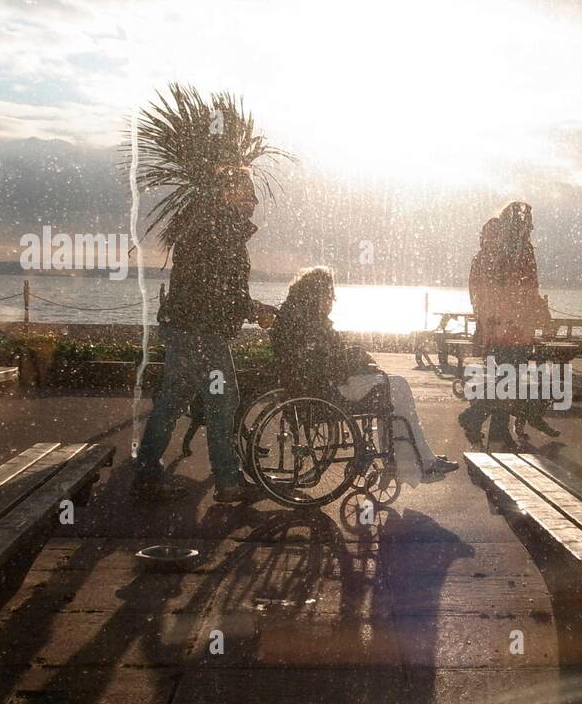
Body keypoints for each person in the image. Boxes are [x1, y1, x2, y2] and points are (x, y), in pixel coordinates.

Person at [131, 164, 275, 502]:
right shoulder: (218, 230)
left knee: (172, 401)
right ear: (226, 193)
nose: (253, 200)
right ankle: (228, 483)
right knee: (223, 403)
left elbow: (218, 288)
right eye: (245, 193)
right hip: (201, 331)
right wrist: (256, 311)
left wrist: (249, 309)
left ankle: (148, 473)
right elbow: (220, 290)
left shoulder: (208, 226)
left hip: (186, 327)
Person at [271, 266, 458, 484]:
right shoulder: (310, 322)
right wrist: (359, 360)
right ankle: (417, 461)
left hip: (314, 385)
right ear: (318, 295)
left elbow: (322, 356)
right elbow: (328, 361)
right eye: (330, 296)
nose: (331, 302)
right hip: (328, 388)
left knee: (392, 387)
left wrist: (355, 357)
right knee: (396, 388)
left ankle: (412, 459)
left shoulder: (297, 316)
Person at [460, 201, 550, 449]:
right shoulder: (511, 252)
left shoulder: (507, 251)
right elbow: (522, 289)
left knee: (508, 377)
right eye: (525, 222)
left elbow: (524, 289)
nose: (529, 227)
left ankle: (498, 432)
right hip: (509, 328)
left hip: (506, 327)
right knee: (509, 378)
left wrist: (486, 322)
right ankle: (475, 417)